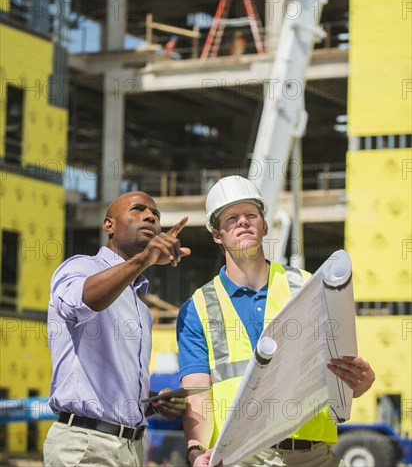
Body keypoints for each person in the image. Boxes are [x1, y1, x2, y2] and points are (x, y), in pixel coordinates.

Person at [177, 176, 375, 467]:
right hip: (239, 457)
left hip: (312, 454)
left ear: (264, 226)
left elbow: (338, 369)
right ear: (217, 235)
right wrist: (196, 451)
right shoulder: (197, 307)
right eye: (232, 218)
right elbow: (198, 394)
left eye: (251, 215)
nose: (243, 221)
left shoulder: (308, 286)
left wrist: (360, 383)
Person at [44, 191, 191, 467]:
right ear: (108, 225)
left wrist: (151, 403)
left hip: (131, 448)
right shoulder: (80, 268)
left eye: (155, 215)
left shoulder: (141, 308)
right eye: (138, 210)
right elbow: (81, 302)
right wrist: (143, 260)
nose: (150, 216)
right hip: (86, 444)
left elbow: (110, 393)